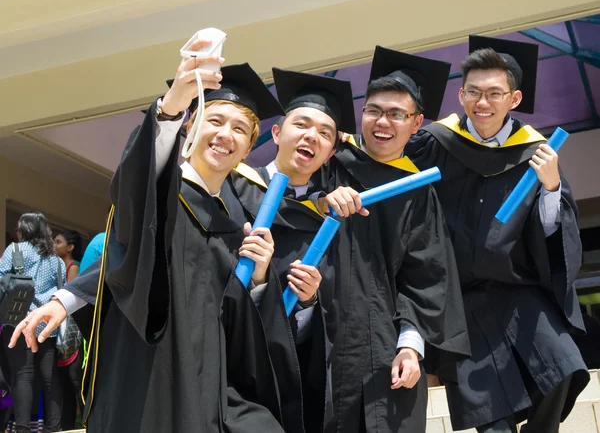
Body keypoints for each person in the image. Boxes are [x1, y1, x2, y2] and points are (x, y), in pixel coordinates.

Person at [10, 40, 296, 431]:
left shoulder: (237, 220)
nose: (224, 134)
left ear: (248, 149)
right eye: (214, 120)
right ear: (191, 127)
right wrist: (171, 106)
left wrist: (261, 276)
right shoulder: (160, 192)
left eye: (239, 129)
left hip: (209, 376)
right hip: (152, 365)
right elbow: (129, 237)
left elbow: (238, 318)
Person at [405, 35, 590, 433]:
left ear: (514, 98)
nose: (482, 102)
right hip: (458, 303)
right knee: (492, 419)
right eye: (473, 92)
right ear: (461, 94)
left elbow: (557, 237)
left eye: (494, 93)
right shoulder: (433, 144)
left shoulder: (535, 154)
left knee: (563, 369)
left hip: (517, 292)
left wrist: (553, 187)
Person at [319, 46, 470, 433]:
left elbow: (427, 274)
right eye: (373, 110)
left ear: (417, 123)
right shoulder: (331, 167)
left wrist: (410, 345)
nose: (382, 122)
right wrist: (319, 202)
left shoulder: (418, 191)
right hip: (322, 337)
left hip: (385, 344)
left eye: (396, 114)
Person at [231, 68, 356, 432]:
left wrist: (306, 303)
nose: (311, 137)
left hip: (295, 377)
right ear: (276, 132)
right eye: (301, 124)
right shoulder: (234, 190)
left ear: (331, 152)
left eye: (324, 133)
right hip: (232, 365)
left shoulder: (331, 218)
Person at [0, 213, 64, 433]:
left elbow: (1, 279)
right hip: (48, 325)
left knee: (23, 374)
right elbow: (62, 285)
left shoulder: (15, 251)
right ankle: (54, 427)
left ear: (23, 229)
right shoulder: (56, 259)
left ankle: (23, 428)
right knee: (49, 376)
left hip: (19, 323)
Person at [53, 230, 84, 429]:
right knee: (64, 382)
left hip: (71, 333)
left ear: (70, 247)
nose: (54, 245)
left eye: (58, 242)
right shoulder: (57, 267)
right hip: (61, 332)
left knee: (75, 381)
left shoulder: (73, 268)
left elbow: (69, 301)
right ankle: (67, 425)